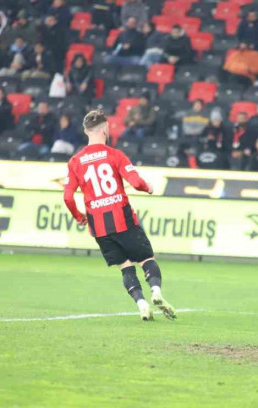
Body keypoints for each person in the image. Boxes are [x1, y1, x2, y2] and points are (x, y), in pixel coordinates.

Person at [62, 110, 175, 321]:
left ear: (86, 131)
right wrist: (148, 187)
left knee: (125, 267)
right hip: (123, 219)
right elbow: (136, 182)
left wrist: (79, 217)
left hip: (99, 226)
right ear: (105, 129)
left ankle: (142, 304)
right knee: (146, 259)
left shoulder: (75, 161)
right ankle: (156, 292)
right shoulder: (115, 155)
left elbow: (68, 197)